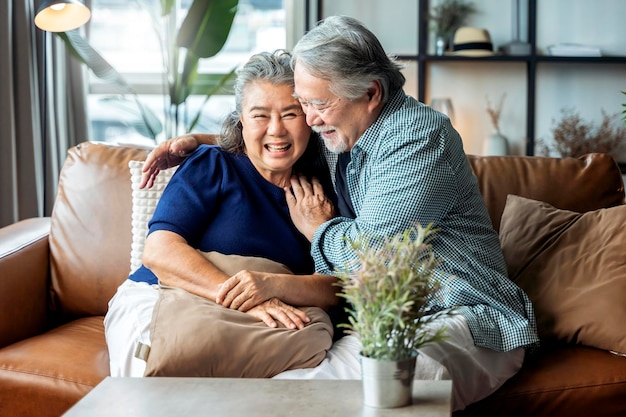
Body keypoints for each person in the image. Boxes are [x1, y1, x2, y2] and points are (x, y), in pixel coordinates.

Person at [141, 16, 540, 411]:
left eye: (316, 105)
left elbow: (370, 259)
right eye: (305, 104)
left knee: (324, 399)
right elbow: (275, 134)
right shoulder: (344, 129)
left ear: (370, 92)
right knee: (287, 391)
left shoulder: (417, 140)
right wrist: (201, 141)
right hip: (388, 316)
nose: (310, 119)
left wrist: (319, 228)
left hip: (462, 317)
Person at [104, 49, 341, 378]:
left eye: (290, 114)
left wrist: (312, 241)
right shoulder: (214, 164)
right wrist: (248, 298)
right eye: (260, 115)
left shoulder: (321, 193)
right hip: (171, 296)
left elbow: (338, 287)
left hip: (267, 318)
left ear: (310, 118)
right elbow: (159, 250)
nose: (276, 130)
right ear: (240, 120)